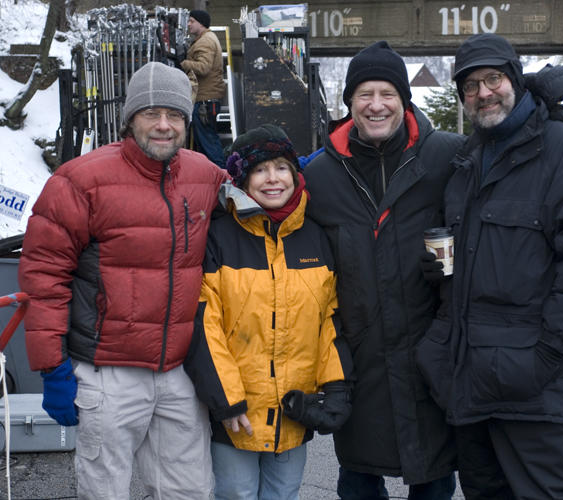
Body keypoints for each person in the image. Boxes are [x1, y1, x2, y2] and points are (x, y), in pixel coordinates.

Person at [415, 33, 563, 500]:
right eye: (470, 86)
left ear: (515, 80)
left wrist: (547, 355)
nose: (483, 92)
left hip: (535, 390)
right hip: (469, 381)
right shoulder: (469, 159)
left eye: (493, 79)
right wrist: (439, 269)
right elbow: (466, 249)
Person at [17, 62, 229, 499]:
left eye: (174, 115)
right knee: (105, 492)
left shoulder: (204, 174)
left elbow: (265, 188)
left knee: (189, 491)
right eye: (151, 113)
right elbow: (44, 276)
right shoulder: (80, 181)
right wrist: (51, 367)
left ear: (188, 121)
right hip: (107, 371)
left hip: (179, 372)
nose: (164, 126)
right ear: (130, 119)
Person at [303, 41, 465, 500]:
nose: (376, 105)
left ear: (404, 99)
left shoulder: (448, 159)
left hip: (430, 358)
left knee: (433, 479)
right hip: (358, 363)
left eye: (387, 93)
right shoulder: (319, 177)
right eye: (364, 94)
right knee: (357, 482)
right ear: (349, 102)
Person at [184, 124, 355, 500]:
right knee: (237, 495)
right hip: (236, 413)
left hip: (294, 411)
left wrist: (337, 387)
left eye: (281, 167)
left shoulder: (314, 237)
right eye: (260, 169)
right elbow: (204, 323)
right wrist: (225, 400)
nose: (272, 179)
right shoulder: (220, 237)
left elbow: (329, 323)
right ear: (243, 179)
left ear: (296, 174)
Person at [180, 9, 226, 168]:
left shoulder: (205, 41)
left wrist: (184, 63)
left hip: (205, 101)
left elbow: (203, 67)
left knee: (208, 140)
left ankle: (222, 175)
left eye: (192, 21)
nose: (189, 24)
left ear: (201, 23)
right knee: (205, 140)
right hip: (206, 99)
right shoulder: (206, 38)